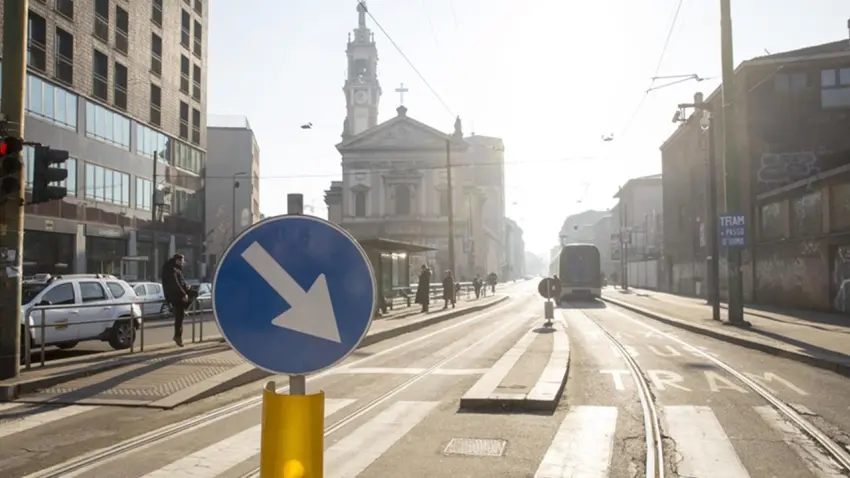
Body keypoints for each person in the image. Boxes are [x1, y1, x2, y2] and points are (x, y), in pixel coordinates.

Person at [161, 253, 193, 347]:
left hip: (177, 293)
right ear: (178, 260)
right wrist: (184, 294)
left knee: (194, 293)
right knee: (179, 316)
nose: (183, 263)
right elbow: (175, 283)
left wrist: (187, 287)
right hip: (175, 295)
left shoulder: (176, 268)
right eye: (182, 261)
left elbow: (181, 281)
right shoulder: (171, 269)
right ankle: (177, 337)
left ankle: (184, 307)